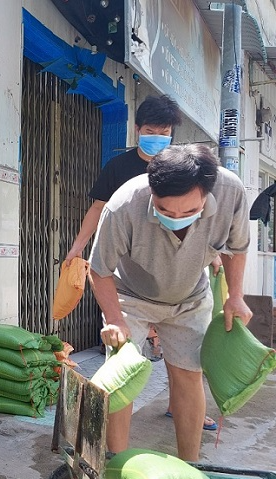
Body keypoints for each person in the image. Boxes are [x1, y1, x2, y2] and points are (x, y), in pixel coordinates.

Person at [88, 144, 251, 464]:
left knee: (189, 375)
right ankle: (117, 468)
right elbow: (99, 270)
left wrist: (236, 296)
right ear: (152, 191)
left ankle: (189, 466)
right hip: (132, 296)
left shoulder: (231, 192)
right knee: (122, 377)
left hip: (190, 298)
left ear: (207, 192)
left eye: (189, 212)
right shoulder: (124, 204)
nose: (177, 220)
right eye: (166, 211)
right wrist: (115, 319)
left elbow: (236, 248)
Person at [63, 94, 218, 430]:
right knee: (124, 360)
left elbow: (206, 221)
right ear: (137, 129)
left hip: (179, 277)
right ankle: (114, 432)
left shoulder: (186, 172)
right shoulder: (119, 170)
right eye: (151, 130)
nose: (158, 137)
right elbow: (98, 210)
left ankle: (183, 409)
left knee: (184, 360)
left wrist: (215, 255)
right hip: (131, 278)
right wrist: (79, 246)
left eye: (164, 132)